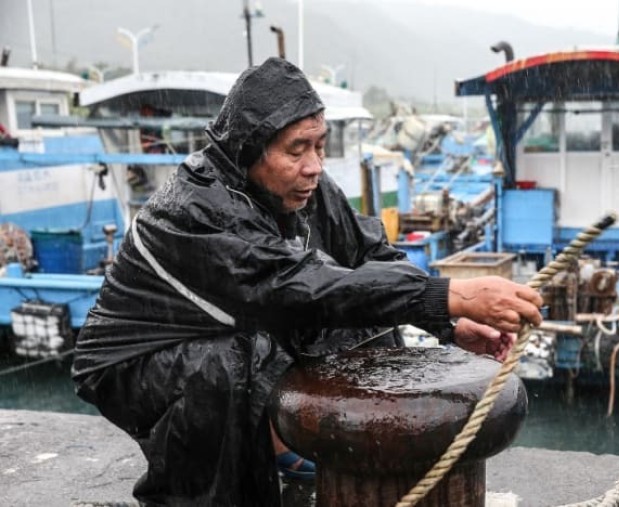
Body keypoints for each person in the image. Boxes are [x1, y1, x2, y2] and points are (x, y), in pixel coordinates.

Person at [71, 57, 543, 506]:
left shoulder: (304, 186)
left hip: (234, 324)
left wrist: (449, 326)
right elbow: (292, 288)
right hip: (132, 361)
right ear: (249, 149)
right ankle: (198, 493)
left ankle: (327, 447)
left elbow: (372, 256)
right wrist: (455, 295)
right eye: (296, 149)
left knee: (367, 315)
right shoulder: (196, 209)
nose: (314, 164)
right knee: (225, 365)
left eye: (319, 145)